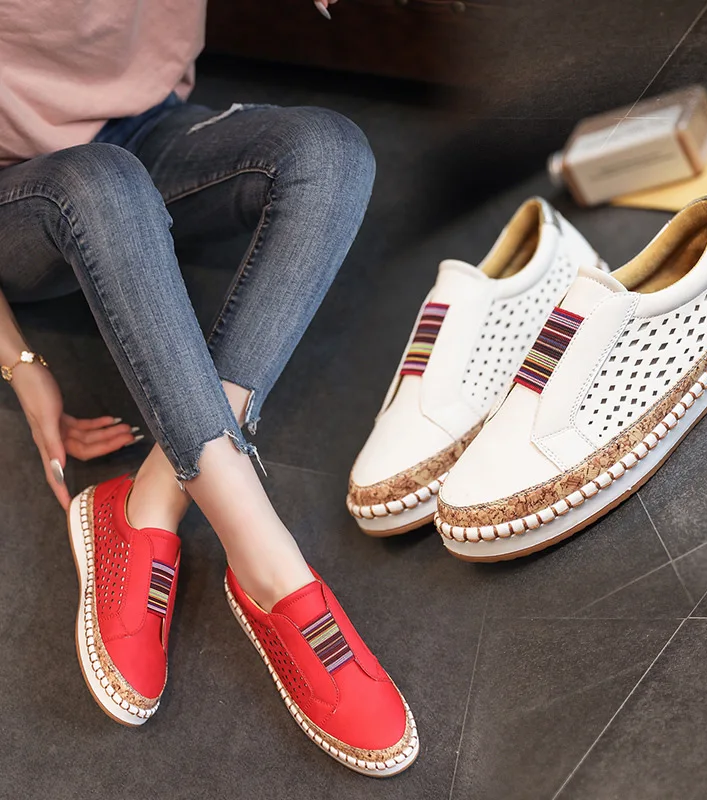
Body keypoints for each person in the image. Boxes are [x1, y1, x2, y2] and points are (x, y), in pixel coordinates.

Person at [0, 0, 419, 777]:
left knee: (331, 153)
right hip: (23, 196)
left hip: (142, 129)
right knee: (101, 181)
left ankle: (147, 503)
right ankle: (271, 566)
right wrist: (20, 365)